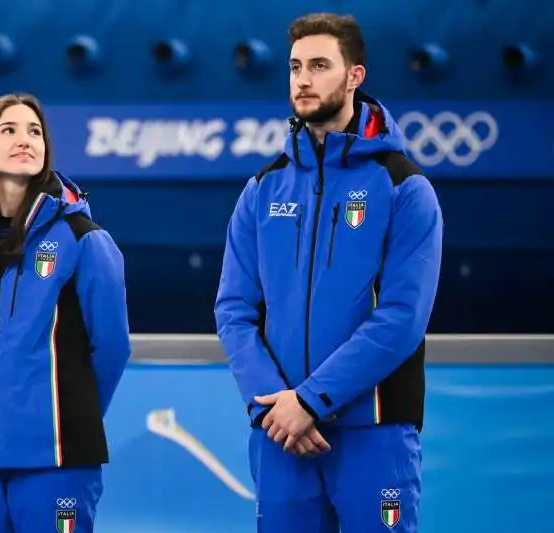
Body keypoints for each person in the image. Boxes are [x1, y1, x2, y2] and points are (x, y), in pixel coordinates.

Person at [214, 12, 443, 533]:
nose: (303, 78)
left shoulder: (404, 188)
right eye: (295, 66)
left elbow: (402, 318)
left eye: (319, 65)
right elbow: (233, 310)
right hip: (280, 435)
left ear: (354, 76)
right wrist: (273, 407)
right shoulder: (261, 190)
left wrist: (313, 401)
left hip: (374, 432)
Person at [0, 93, 131, 533]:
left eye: (35, 131)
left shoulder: (84, 239)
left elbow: (112, 347)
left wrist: (70, 415)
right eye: (10, 130)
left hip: (55, 458)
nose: (26, 139)